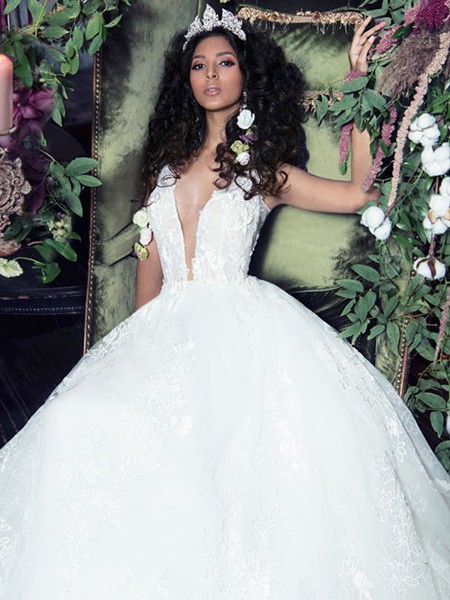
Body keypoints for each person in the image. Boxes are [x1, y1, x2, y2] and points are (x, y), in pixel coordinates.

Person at [0, 6, 449, 599]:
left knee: (226, 459)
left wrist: (358, 86)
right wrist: (126, 368)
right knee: (75, 421)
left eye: (225, 62)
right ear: (186, 80)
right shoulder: (162, 173)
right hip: (162, 336)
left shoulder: (262, 170)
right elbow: (147, 294)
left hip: (242, 337)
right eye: (199, 65)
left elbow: (358, 195)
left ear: (246, 75)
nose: (211, 74)